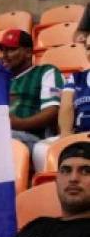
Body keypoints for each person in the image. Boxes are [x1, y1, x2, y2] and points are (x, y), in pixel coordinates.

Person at [0, 142, 90, 237]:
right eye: (66, 171)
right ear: (56, 180)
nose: (73, 178)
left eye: (86, 171)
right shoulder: (36, 225)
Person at [0, 29, 63, 155]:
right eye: (2, 50)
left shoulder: (46, 72)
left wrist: (19, 124)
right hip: (0, 134)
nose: (4, 55)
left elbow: (52, 111)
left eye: (10, 49)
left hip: (32, 138)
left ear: (28, 52)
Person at [36, 35, 90, 170]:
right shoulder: (77, 78)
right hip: (78, 134)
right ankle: (49, 187)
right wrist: (66, 135)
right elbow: (66, 106)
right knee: (41, 149)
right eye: (88, 48)